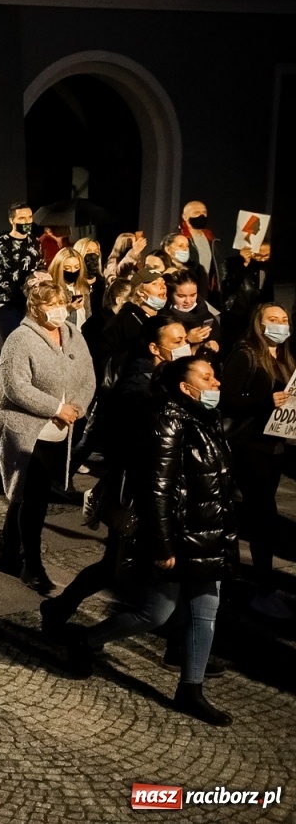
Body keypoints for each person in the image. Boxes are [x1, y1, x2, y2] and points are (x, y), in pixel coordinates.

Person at [67, 357, 237, 727]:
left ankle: (191, 688)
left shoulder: (206, 418)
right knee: (154, 613)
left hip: (206, 533)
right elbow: (156, 488)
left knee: (205, 611)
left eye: (214, 376)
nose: (215, 382)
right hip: (177, 534)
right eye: (205, 377)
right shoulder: (168, 419)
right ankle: (86, 640)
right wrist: (164, 545)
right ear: (185, 387)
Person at [42, 317, 189, 632]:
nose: (184, 346)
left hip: (155, 487)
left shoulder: (164, 378)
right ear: (155, 348)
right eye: (176, 341)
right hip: (136, 489)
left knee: (131, 567)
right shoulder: (140, 384)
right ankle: (64, 612)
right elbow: (134, 435)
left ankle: (178, 643)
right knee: (114, 567)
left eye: (185, 339)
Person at [0, 281, 96, 594]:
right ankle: (31, 565)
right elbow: (15, 387)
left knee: (26, 494)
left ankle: (7, 554)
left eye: (63, 303)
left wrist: (77, 406)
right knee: (35, 498)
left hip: (60, 428)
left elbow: (88, 376)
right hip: (23, 427)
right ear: (36, 308)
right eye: (52, 305)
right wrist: (55, 407)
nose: (60, 311)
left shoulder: (74, 336)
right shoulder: (20, 339)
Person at [219, 303, 296, 620]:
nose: (280, 324)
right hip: (248, 445)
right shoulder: (246, 354)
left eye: (284, 319)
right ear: (258, 323)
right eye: (272, 319)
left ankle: (247, 578)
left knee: (258, 515)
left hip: (274, 446)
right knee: (265, 516)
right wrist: (266, 401)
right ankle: (261, 589)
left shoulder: (286, 358)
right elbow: (226, 398)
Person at [0, 202, 43, 345]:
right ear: (12, 220)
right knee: (14, 343)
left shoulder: (35, 243)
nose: (27, 221)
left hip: (29, 303)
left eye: (29, 217)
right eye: (22, 218)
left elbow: (40, 267)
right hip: (5, 304)